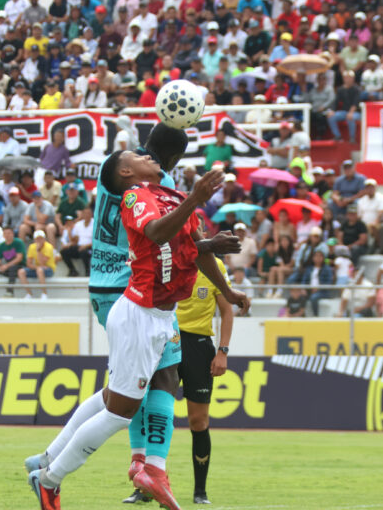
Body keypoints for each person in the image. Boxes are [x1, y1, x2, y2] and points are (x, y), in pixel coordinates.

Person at [26, 151, 246, 510]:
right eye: (137, 156)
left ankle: (134, 467)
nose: (148, 155)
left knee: (116, 399)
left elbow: (191, 250)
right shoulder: (134, 197)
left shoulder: (170, 197)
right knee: (118, 413)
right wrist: (196, 199)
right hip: (138, 316)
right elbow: (157, 233)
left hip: (161, 318)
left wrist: (227, 290)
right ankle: (49, 478)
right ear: (126, 172)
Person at [173, 250, 234, 505]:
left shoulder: (214, 265)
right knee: (154, 414)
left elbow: (227, 311)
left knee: (198, 421)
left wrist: (222, 351)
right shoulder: (168, 256)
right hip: (167, 341)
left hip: (198, 345)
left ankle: (200, 491)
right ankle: (144, 487)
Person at [0, 227, 25, 297]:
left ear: (13, 234)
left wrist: (6, 266)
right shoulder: (2, 245)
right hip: (8, 266)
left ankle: (9, 292)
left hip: (19, 266)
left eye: (9, 233)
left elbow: (19, 258)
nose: (7, 235)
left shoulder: (18, 242)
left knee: (12, 269)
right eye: (5, 233)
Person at [60, 206, 93, 276]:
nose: (87, 215)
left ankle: (88, 271)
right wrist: (69, 234)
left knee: (84, 251)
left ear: (91, 214)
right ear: (83, 214)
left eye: (88, 213)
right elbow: (75, 239)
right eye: (85, 213)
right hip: (79, 246)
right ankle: (72, 270)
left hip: (90, 247)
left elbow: (96, 242)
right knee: (64, 252)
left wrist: (85, 246)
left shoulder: (95, 224)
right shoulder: (78, 224)